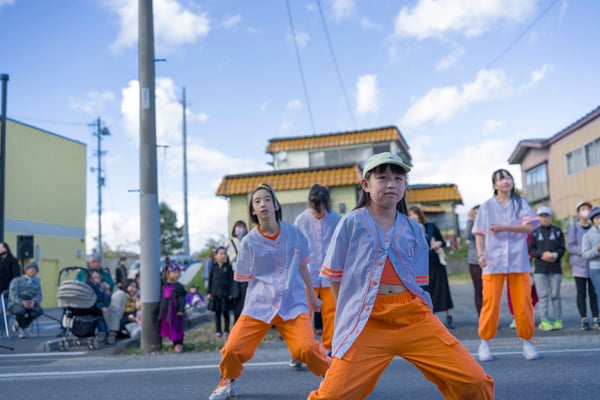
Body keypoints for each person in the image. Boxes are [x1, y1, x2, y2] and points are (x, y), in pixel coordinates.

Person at [308, 152, 493, 400]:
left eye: (398, 178)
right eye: (382, 177)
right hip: (366, 320)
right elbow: (334, 275)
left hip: (412, 315)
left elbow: (418, 282)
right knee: (332, 395)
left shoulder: (415, 229)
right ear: (365, 184)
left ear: (405, 185)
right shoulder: (350, 223)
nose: (391, 184)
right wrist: (350, 311)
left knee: (475, 381)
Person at [209, 182, 331, 400]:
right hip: (260, 303)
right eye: (257, 201)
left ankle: (333, 377)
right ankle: (227, 381)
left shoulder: (295, 233)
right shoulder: (248, 242)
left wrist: (313, 296)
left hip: (293, 302)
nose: (263, 204)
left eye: (267, 199)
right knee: (233, 348)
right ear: (253, 211)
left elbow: (303, 265)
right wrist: (240, 312)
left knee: (305, 348)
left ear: (276, 205)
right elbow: (244, 279)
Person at [472, 168, 541, 362]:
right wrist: (480, 255)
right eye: (501, 179)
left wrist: (504, 228)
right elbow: (479, 233)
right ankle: (484, 343)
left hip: (518, 261)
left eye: (508, 177)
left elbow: (529, 227)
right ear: (494, 185)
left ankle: (527, 342)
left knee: (523, 303)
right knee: (490, 303)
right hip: (492, 262)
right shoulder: (486, 207)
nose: (506, 181)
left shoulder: (521, 204)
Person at [295, 183, 341, 354]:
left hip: (330, 273)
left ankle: (329, 347)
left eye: (321, 206)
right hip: (307, 273)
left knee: (331, 311)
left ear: (327, 203)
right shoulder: (301, 220)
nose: (318, 210)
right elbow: (295, 247)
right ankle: (301, 349)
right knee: (303, 313)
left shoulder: (337, 219)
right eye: (314, 206)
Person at [408, 205, 455, 329]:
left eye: (415, 214)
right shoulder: (409, 229)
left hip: (435, 262)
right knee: (426, 291)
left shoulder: (431, 226)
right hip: (420, 265)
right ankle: (430, 317)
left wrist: (438, 243)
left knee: (442, 289)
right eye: (410, 215)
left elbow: (442, 242)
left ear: (420, 215)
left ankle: (449, 316)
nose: (413, 217)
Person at [530, 206, 565, 331]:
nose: (544, 219)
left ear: (550, 217)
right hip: (540, 269)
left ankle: (557, 319)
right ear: (538, 218)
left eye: (546, 216)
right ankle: (544, 320)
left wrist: (554, 255)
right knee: (543, 296)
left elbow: (562, 248)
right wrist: (542, 255)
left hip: (555, 268)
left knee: (555, 295)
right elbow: (531, 249)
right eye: (541, 216)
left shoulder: (557, 231)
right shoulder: (535, 232)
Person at [567, 201, 599, 330]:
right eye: (583, 209)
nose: (586, 211)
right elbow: (570, 247)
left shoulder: (594, 228)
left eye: (588, 209)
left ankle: (596, 318)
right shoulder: (574, 228)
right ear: (578, 212)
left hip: (593, 265)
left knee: (594, 293)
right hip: (579, 267)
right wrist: (586, 250)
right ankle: (584, 319)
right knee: (581, 293)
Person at [8, 261, 43, 338]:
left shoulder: (37, 283)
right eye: (32, 269)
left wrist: (34, 301)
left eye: (35, 270)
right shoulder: (16, 280)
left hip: (31, 301)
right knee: (20, 311)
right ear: (26, 270)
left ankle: (19, 324)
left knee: (38, 311)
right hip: (17, 302)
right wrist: (22, 302)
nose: (34, 272)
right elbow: (13, 294)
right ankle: (23, 328)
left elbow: (39, 295)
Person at [158, 263, 187, 353]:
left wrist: (181, 309)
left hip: (175, 311)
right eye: (174, 272)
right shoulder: (163, 285)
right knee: (168, 327)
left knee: (176, 327)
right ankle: (172, 341)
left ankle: (178, 343)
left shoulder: (179, 286)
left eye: (178, 272)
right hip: (165, 310)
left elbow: (182, 299)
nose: (177, 274)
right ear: (168, 273)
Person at [207, 246, 234, 338]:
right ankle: (218, 330)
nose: (223, 256)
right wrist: (209, 292)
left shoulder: (228, 267)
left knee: (226, 312)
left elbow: (231, 281)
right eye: (221, 254)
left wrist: (231, 293)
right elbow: (210, 280)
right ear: (216, 256)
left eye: (224, 254)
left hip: (225, 294)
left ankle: (226, 329)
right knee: (217, 313)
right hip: (215, 293)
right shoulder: (213, 267)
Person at [227, 220, 248, 322]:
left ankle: (244, 321)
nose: (240, 229)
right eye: (238, 227)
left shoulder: (247, 240)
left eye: (242, 227)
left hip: (246, 274)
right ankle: (237, 321)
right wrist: (240, 253)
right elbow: (230, 258)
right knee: (236, 298)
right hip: (235, 273)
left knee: (245, 298)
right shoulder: (230, 242)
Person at [582, 206, 600, 317]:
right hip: (596, 268)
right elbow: (585, 254)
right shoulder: (587, 235)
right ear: (593, 221)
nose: (599, 220)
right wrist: (597, 250)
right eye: (597, 218)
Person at [466, 205, 483, 315]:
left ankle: (490, 317)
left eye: (479, 213)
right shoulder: (472, 224)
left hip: (489, 262)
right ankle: (481, 316)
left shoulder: (487, 223)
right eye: (475, 213)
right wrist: (470, 220)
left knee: (490, 292)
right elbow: (467, 235)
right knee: (478, 290)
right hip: (474, 261)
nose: (477, 215)